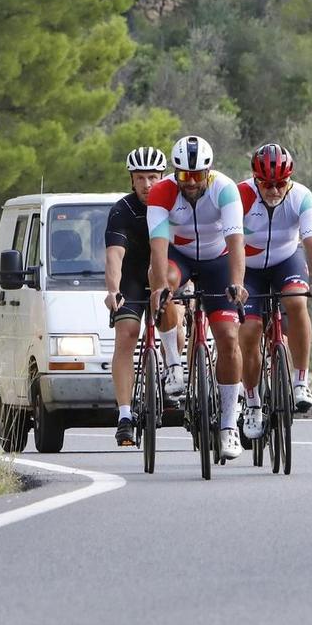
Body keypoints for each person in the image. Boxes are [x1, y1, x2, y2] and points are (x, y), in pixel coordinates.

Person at [146, 135, 249, 462]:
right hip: (181, 256)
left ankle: (230, 424)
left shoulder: (225, 189)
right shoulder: (162, 192)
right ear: (174, 172)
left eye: (197, 176)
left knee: (229, 337)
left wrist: (237, 283)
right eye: (184, 176)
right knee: (161, 284)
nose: (190, 183)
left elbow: (236, 241)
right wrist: (162, 287)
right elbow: (159, 246)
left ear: (209, 171)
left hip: (218, 258)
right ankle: (174, 365)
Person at [236, 142, 312, 440]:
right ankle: (251, 403)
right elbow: (227, 243)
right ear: (254, 178)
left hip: (286, 259)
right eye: (267, 184)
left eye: (280, 184)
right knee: (249, 332)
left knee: (296, 301)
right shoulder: (240, 196)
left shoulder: (301, 196)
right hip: (248, 268)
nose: (274, 190)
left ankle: (300, 380)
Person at [104, 146, 184, 446]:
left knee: (176, 327)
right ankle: (125, 414)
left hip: (166, 274)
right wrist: (113, 291)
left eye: (153, 177)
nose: (147, 184)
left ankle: (173, 370)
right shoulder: (122, 210)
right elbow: (114, 256)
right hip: (132, 277)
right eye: (140, 178)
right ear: (131, 180)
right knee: (127, 332)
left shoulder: (175, 204)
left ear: (163, 177)